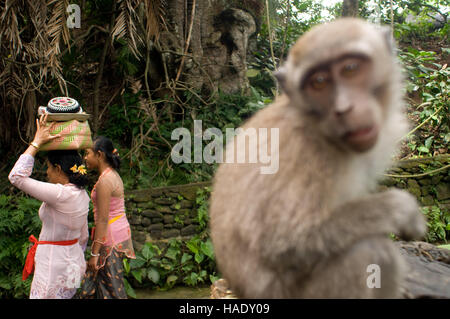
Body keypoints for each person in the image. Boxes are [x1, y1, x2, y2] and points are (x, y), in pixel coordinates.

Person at [8, 114, 90, 299]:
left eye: (48, 167)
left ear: (58, 169)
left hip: (53, 267)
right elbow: (83, 236)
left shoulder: (60, 194)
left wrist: (36, 142)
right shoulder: (82, 194)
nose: (46, 172)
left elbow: (16, 177)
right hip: (74, 263)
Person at [77, 136, 135, 299]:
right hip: (114, 234)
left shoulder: (105, 181)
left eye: (87, 153)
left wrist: (94, 255)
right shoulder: (111, 175)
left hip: (109, 238)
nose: (85, 158)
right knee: (93, 288)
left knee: (112, 290)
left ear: (99, 155)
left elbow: (102, 220)